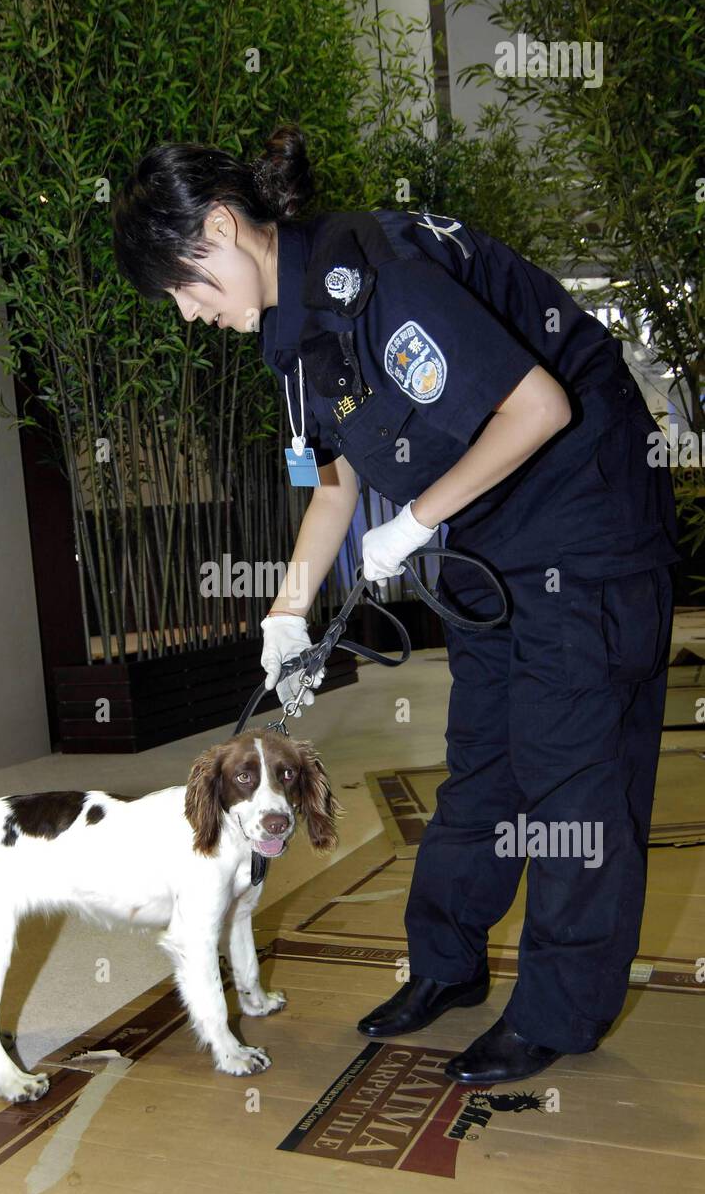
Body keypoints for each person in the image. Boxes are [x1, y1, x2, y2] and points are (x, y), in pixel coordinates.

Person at [112, 124, 680, 1084]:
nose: (187, 313)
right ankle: (447, 968)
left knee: (568, 772)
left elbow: (539, 408)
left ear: (223, 227)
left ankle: (556, 1011)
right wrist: (286, 613)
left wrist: (414, 520)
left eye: (185, 284)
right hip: (492, 534)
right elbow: (333, 487)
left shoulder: (381, 271)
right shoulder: (291, 339)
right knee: (483, 763)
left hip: (587, 522)